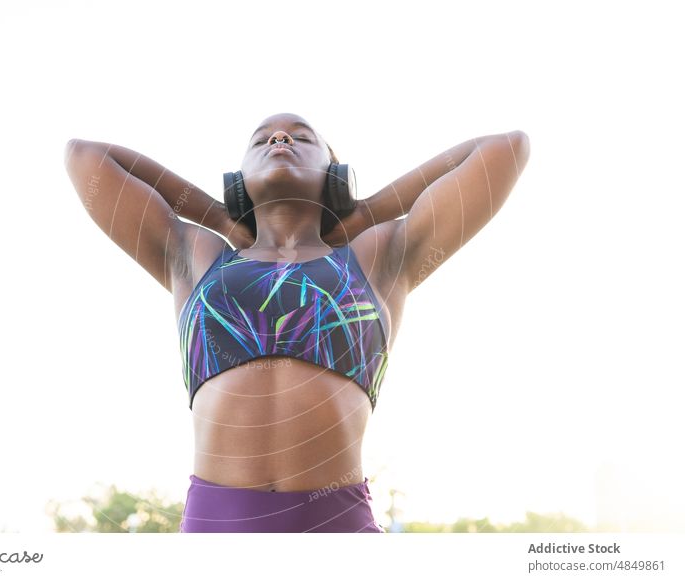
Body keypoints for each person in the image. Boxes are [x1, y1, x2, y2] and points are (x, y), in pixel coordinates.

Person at [63, 112, 530, 532]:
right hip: (216, 527)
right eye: (260, 138)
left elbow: (505, 149)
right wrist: (221, 218)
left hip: (338, 523)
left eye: (302, 137)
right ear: (237, 181)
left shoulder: (377, 257)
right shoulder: (195, 256)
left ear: (335, 176)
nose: (280, 137)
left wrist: (366, 212)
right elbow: (86, 157)